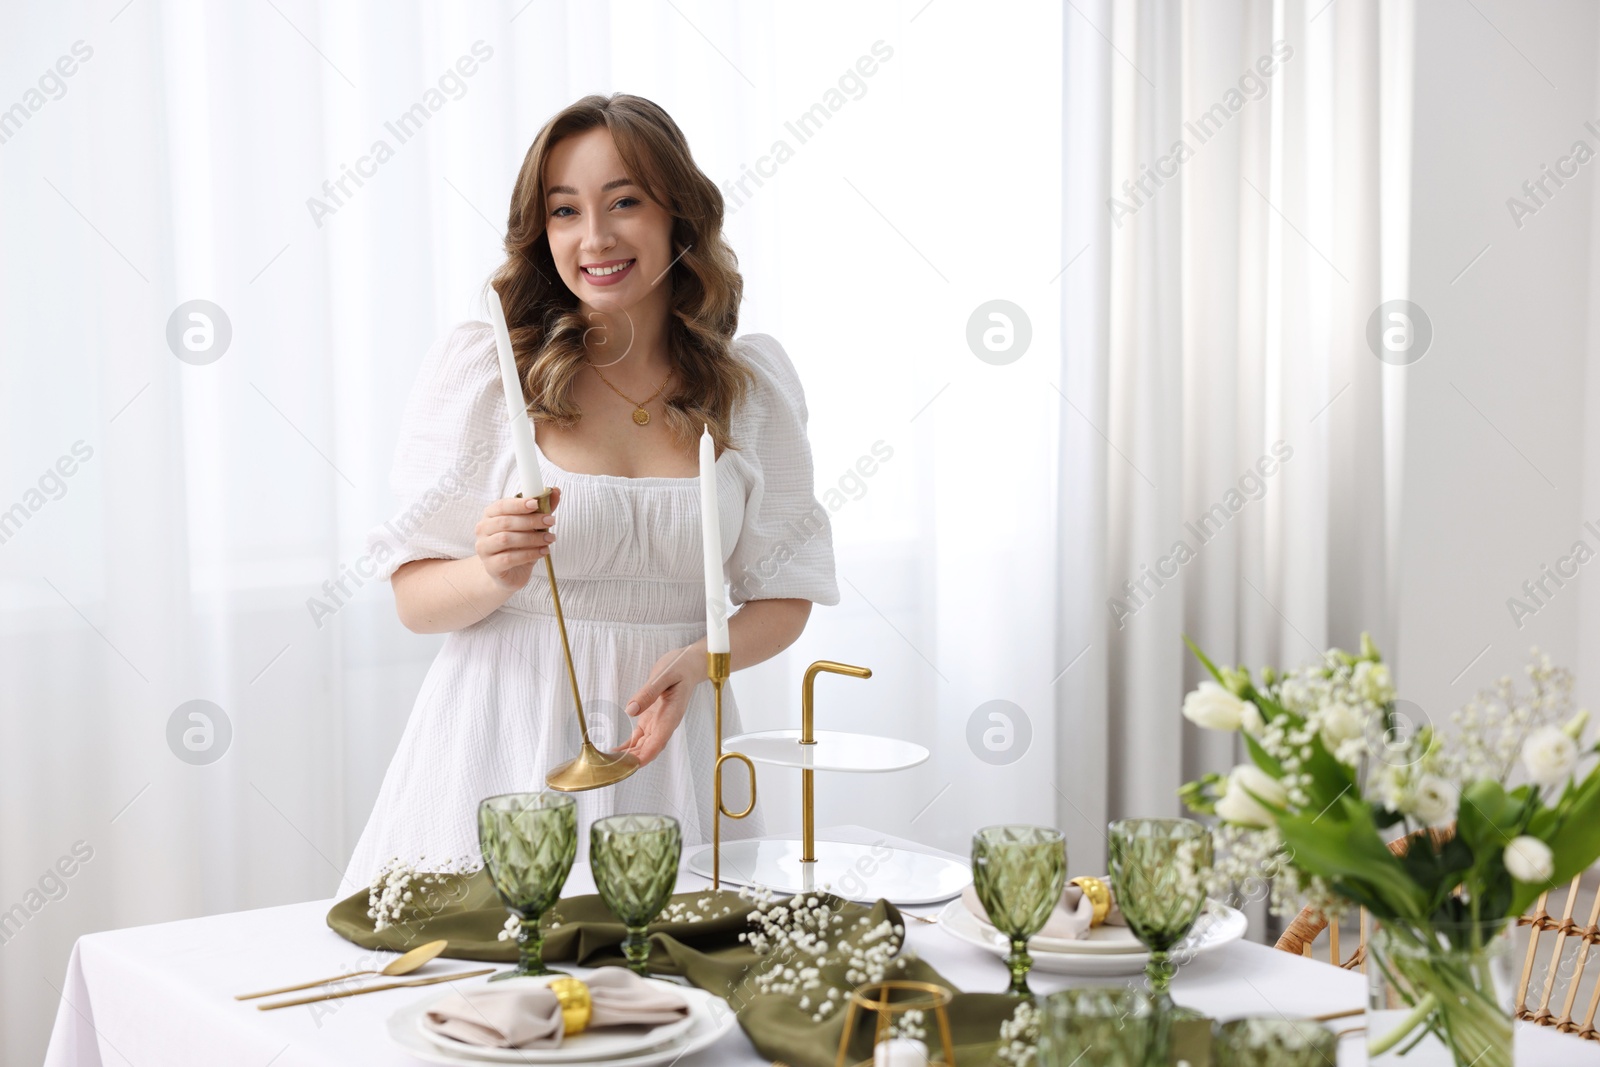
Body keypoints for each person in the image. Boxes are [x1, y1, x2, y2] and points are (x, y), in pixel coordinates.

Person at [338, 94, 839, 896]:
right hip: (498, 756)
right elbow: (415, 598)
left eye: (624, 203)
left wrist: (704, 661)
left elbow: (784, 594)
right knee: (483, 1004)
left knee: (678, 1003)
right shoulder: (487, 371)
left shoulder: (749, 389)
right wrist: (491, 570)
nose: (595, 238)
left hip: (672, 756)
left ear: (680, 215)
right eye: (564, 211)